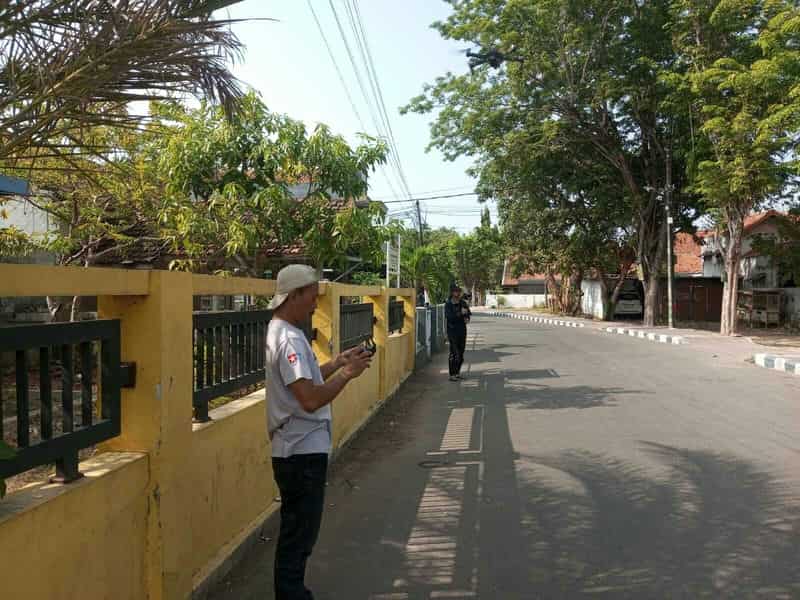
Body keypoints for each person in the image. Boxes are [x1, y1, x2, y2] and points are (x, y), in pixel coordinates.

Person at [266, 264, 372, 600]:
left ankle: (292, 591)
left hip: (299, 448)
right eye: (311, 297)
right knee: (300, 534)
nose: (315, 305)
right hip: (299, 451)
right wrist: (347, 376)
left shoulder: (285, 331)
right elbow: (309, 399)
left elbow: (307, 380)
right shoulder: (288, 338)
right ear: (294, 295)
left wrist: (338, 363)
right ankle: (291, 594)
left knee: (298, 531)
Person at [445, 283, 471, 381]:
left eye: (458, 292)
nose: (457, 294)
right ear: (452, 293)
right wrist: (460, 313)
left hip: (462, 330)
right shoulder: (448, 304)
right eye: (455, 292)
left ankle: (457, 373)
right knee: (454, 352)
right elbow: (450, 317)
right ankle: (452, 375)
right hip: (452, 331)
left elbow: (468, 314)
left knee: (461, 352)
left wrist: (467, 318)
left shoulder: (463, 303)